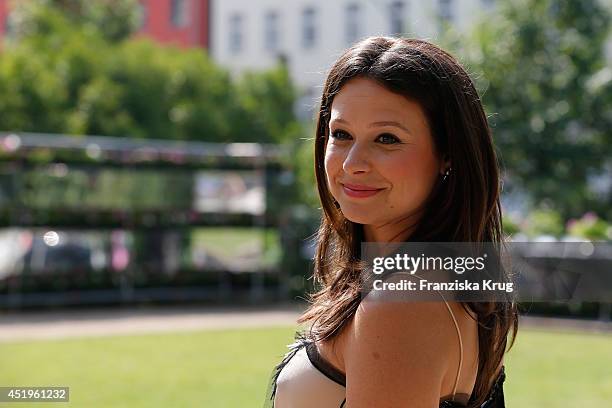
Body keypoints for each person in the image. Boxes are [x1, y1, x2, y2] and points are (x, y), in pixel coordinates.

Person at [264, 36, 518, 408]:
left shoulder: (397, 305)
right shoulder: (448, 279)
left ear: (447, 155)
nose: (353, 163)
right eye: (341, 135)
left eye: (387, 138)